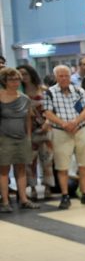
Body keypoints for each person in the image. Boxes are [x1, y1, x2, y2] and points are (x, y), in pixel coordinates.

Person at [43, 65, 85, 208]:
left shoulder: (79, 90)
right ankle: (65, 196)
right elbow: (47, 113)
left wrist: (75, 122)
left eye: (66, 75)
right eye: (61, 76)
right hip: (61, 131)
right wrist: (63, 124)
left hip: (80, 129)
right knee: (62, 166)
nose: (64, 78)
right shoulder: (50, 92)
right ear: (56, 77)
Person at [0, 67, 40, 212]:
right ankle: (5, 201)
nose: (15, 82)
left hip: (22, 137)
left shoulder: (24, 98)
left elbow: (28, 119)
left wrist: (28, 137)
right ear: (4, 81)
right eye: (11, 79)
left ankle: (24, 199)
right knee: (4, 170)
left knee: (22, 168)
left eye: (17, 79)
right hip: (4, 138)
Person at [19, 64, 54, 199]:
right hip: (28, 130)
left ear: (31, 74)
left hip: (45, 128)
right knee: (30, 161)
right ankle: (32, 187)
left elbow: (52, 109)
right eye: (20, 74)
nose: (23, 77)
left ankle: (48, 187)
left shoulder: (44, 90)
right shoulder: (19, 92)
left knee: (47, 160)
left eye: (25, 74)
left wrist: (48, 122)